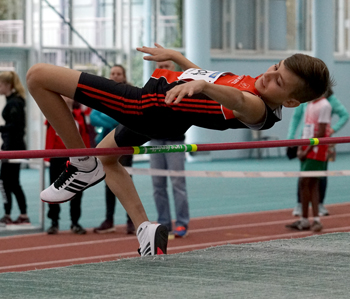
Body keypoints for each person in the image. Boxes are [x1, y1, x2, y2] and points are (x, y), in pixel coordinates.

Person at [26, 43, 332, 256]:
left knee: (38, 76)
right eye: (275, 67)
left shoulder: (258, 107)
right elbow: (209, 78)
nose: (268, 76)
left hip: (144, 105)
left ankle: (80, 161)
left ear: (291, 102)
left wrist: (203, 88)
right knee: (108, 159)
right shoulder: (257, 85)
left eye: (278, 81)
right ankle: (145, 228)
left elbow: (235, 100)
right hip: (164, 115)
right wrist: (179, 59)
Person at [287, 88, 349, 217]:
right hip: (305, 141)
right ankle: (301, 204)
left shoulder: (329, 101)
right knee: (304, 177)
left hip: (321, 144)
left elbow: (344, 115)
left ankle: (319, 205)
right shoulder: (306, 100)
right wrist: (291, 138)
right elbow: (297, 117)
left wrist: (332, 130)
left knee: (320, 175)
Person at [91, 63, 135, 235]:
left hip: (125, 146)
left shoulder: (130, 93)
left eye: (118, 73)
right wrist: (113, 121)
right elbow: (93, 117)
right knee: (108, 182)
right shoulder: (103, 93)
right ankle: (109, 220)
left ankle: (131, 221)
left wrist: (111, 118)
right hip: (105, 145)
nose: (115, 76)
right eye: (112, 73)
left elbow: (129, 117)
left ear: (123, 76)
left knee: (126, 183)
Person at [149, 60, 190, 238]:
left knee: (177, 184)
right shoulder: (150, 87)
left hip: (174, 141)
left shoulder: (182, 86)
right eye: (161, 65)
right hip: (155, 141)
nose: (164, 68)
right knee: (157, 185)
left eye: (167, 65)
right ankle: (163, 222)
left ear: (174, 67)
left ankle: (182, 222)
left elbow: (189, 113)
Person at [286, 96, 332, 232]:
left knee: (311, 183)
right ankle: (305, 219)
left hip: (317, 150)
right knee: (305, 183)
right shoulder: (309, 104)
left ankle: (315, 219)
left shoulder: (325, 105)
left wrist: (307, 150)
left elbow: (322, 132)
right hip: (306, 148)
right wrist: (301, 148)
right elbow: (306, 128)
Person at [46, 96, 89, 234]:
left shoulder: (80, 115)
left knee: (76, 190)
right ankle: (54, 222)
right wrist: (48, 156)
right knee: (54, 189)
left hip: (75, 158)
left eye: (66, 94)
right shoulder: (52, 114)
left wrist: (87, 157)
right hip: (57, 157)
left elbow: (85, 136)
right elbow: (50, 134)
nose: (64, 97)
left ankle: (75, 222)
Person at [0, 71, 30, 225]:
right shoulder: (13, 101)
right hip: (11, 147)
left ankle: (19, 214)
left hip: (14, 148)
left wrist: (1, 128)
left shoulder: (15, 103)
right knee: (7, 182)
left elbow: (17, 127)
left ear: (8, 85)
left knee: (10, 182)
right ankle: (11, 214)